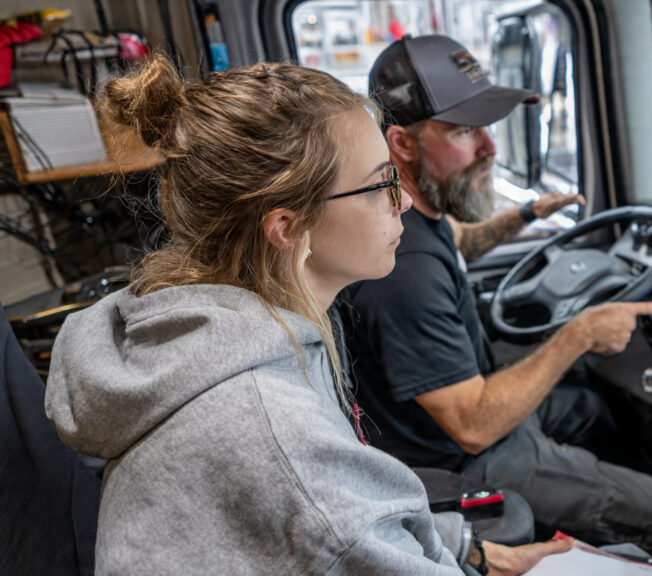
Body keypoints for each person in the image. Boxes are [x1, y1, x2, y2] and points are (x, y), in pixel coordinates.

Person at [43, 54, 569, 575]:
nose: (403, 203)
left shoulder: (232, 324)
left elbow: (340, 514)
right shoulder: (272, 429)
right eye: (382, 183)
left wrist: (462, 547)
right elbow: (323, 512)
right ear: (289, 228)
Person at [341, 35, 652, 548]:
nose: (490, 147)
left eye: (487, 127)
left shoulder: (417, 209)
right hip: (461, 460)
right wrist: (579, 334)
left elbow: (463, 242)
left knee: (590, 408)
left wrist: (527, 215)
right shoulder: (406, 269)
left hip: (466, 414)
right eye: (464, 131)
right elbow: (474, 427)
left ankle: (594, 492)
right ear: (403, 144)